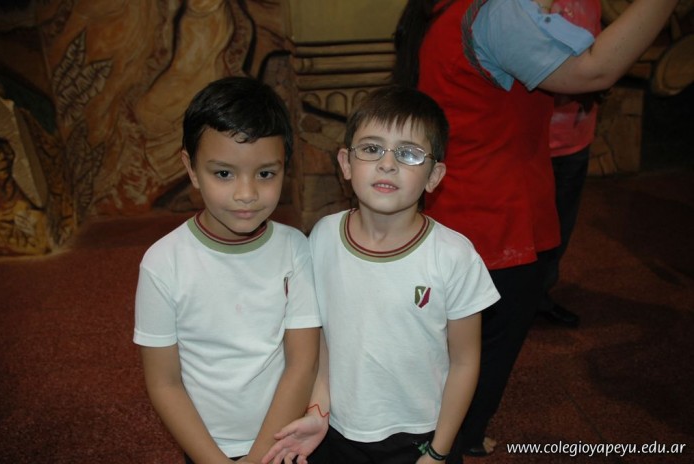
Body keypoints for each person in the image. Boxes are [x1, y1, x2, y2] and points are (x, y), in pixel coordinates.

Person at [392, 0, 678, 459]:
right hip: (493, 219)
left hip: (468, 209)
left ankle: (453, 434)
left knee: (460, 347)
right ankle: (456, 439)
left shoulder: (453, 8)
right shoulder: (494, 11)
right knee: (484, 349)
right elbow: (594, 70)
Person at [262, 85, 500, 464]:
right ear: (346, 163)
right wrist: (318, 408)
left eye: (409, 153)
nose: (387, 164)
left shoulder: (454, 256)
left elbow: (465, 362)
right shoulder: (323, 237)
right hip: (335, 428)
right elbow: (323, 334)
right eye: (372, 149)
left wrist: (439, 451)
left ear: (434, 175)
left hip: (420, 436)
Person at [133, 76, 321, 464]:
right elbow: (164, 383)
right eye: (223, 173)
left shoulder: (295, 249)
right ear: (191, 168)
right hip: (208, 450)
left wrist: (259, 457)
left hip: (283, 444)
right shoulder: (162, 263)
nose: (246, 194)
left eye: (265, 174)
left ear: (285, 168)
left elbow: (302, 363)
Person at [538, 0, 602, 328]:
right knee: (522, 229)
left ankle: (540, 296)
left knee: (560, 227)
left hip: (576, 136)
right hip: (529, 142)